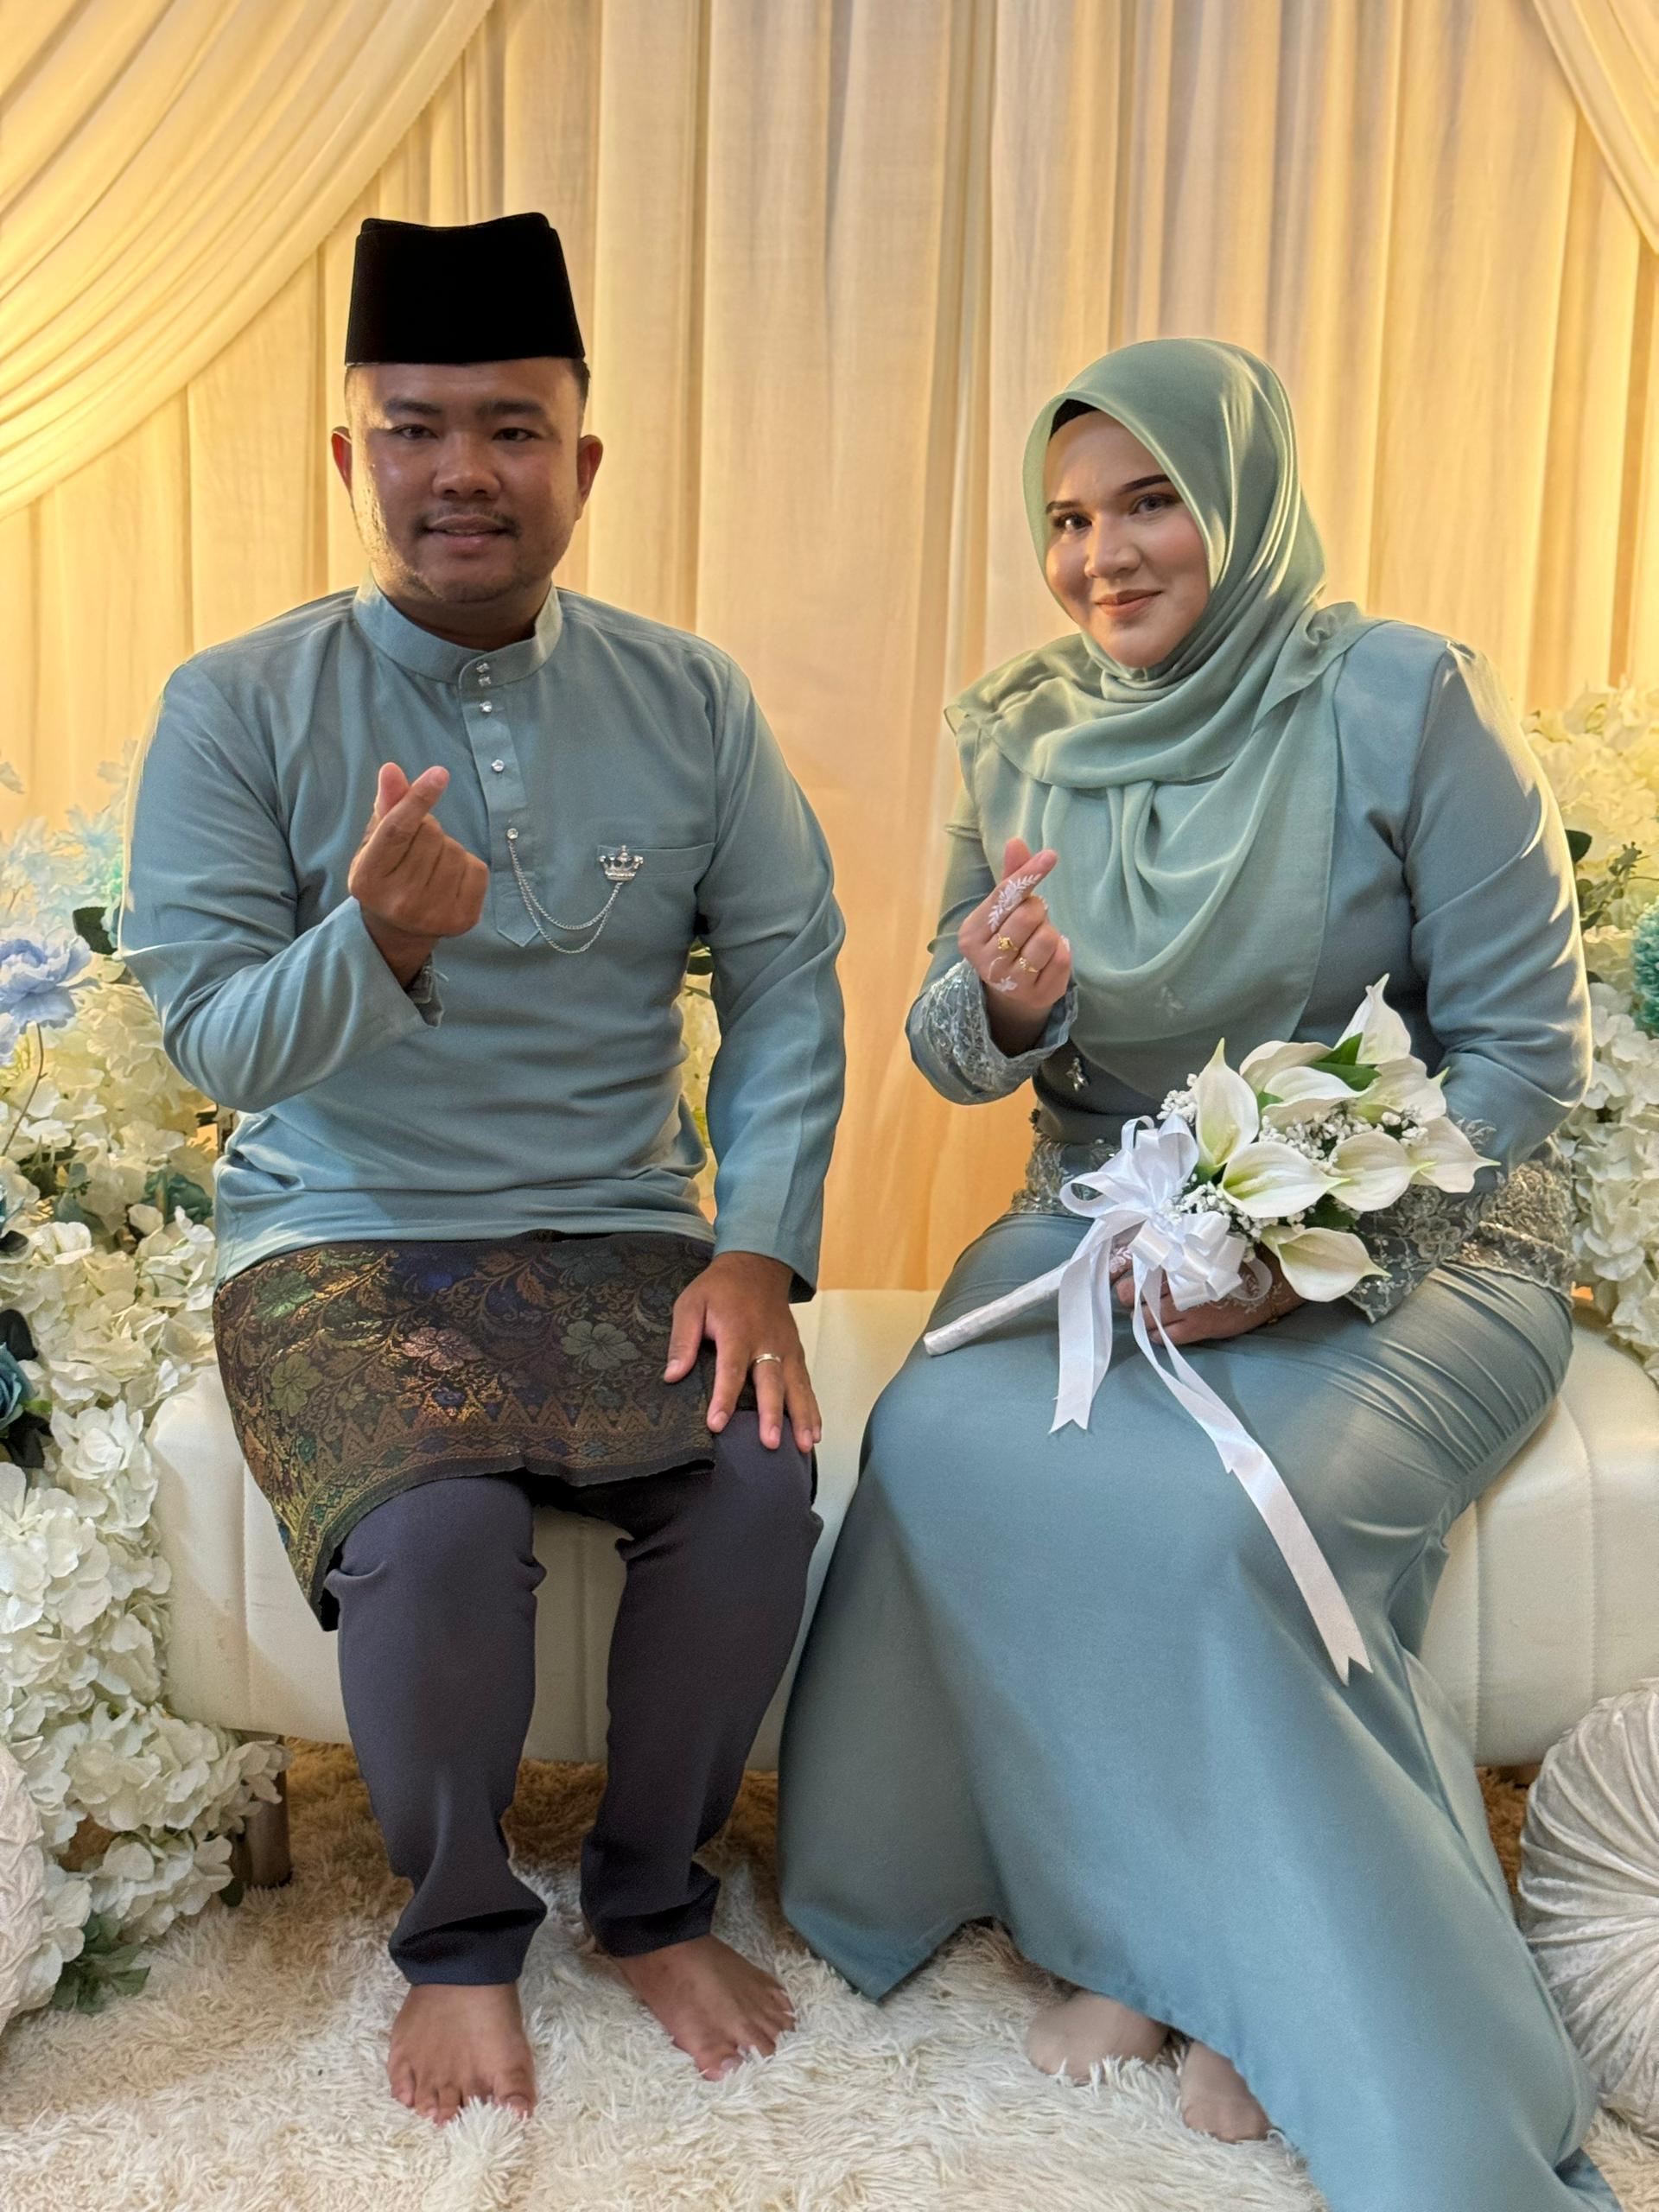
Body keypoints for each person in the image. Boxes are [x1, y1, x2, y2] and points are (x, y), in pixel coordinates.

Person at [777, 338, 1621, 2209]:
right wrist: (1000, 1005)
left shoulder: (1405, 697)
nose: (1104, 556)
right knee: (941, 1442)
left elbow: (1521, 1053)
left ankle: (1263, 1987)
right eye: (1069, 517)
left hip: (1423, 1237)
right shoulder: (1014, 728)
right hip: (1102, 1210)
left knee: (1244, 1522)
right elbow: (947, 1044)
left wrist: (1313, 1248)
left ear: (1241, 499)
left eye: (1151, 500)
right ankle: (1135, 1937)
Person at [119, 213, 845, 2126]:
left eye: (512, 428)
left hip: (626, 1223)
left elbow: (787, 976)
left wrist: (759, 1248)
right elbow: (212, 1040)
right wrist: (373, 943)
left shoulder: (693, 698)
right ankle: (454, 1934)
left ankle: (652, 1895)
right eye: (416, 428)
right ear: (348, 456)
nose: (464, 470)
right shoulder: (234, 704)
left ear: (580, 462)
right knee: (434, 1530)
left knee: (757, 1486)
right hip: (342, 1234)